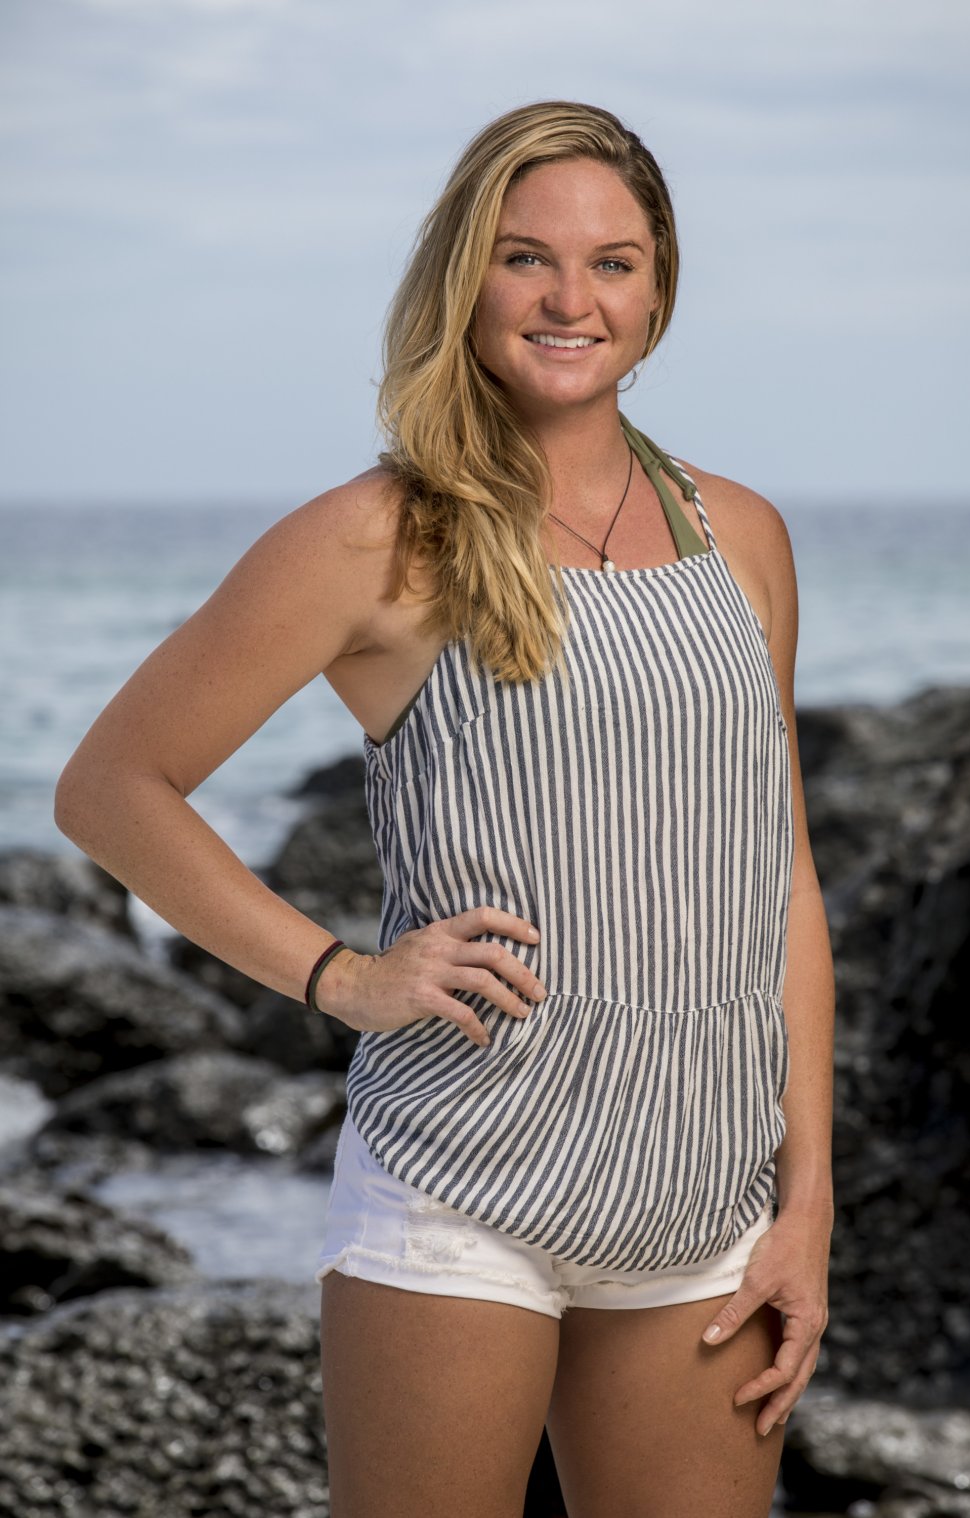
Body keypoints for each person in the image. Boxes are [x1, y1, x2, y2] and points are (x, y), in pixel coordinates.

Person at [55, 99, 834, 1518]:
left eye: (611, 262)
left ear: (659, 289)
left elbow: (778, 876)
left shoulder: (745, 538)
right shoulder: (380, 536)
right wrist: (342, 976)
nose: (569, 298)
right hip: (462, 1192)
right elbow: (111, 788)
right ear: (464, 279)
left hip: (706, 1212)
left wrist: (808, 1201)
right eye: (525, 257)